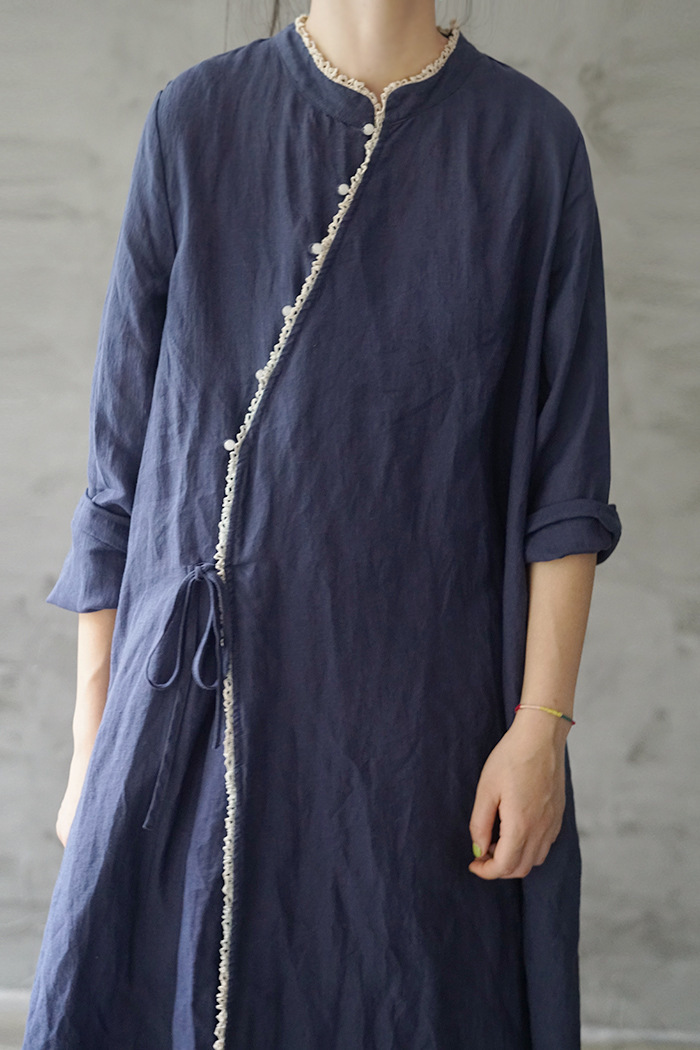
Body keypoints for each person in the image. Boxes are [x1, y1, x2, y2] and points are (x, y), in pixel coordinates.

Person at [23, 1, 622, 1048]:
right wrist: (91, 744)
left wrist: (540, 729)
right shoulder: (194, 121)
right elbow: (119, 472)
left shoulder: (530, 146)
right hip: (186, 721)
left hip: (421, 732)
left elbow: (564, 485)